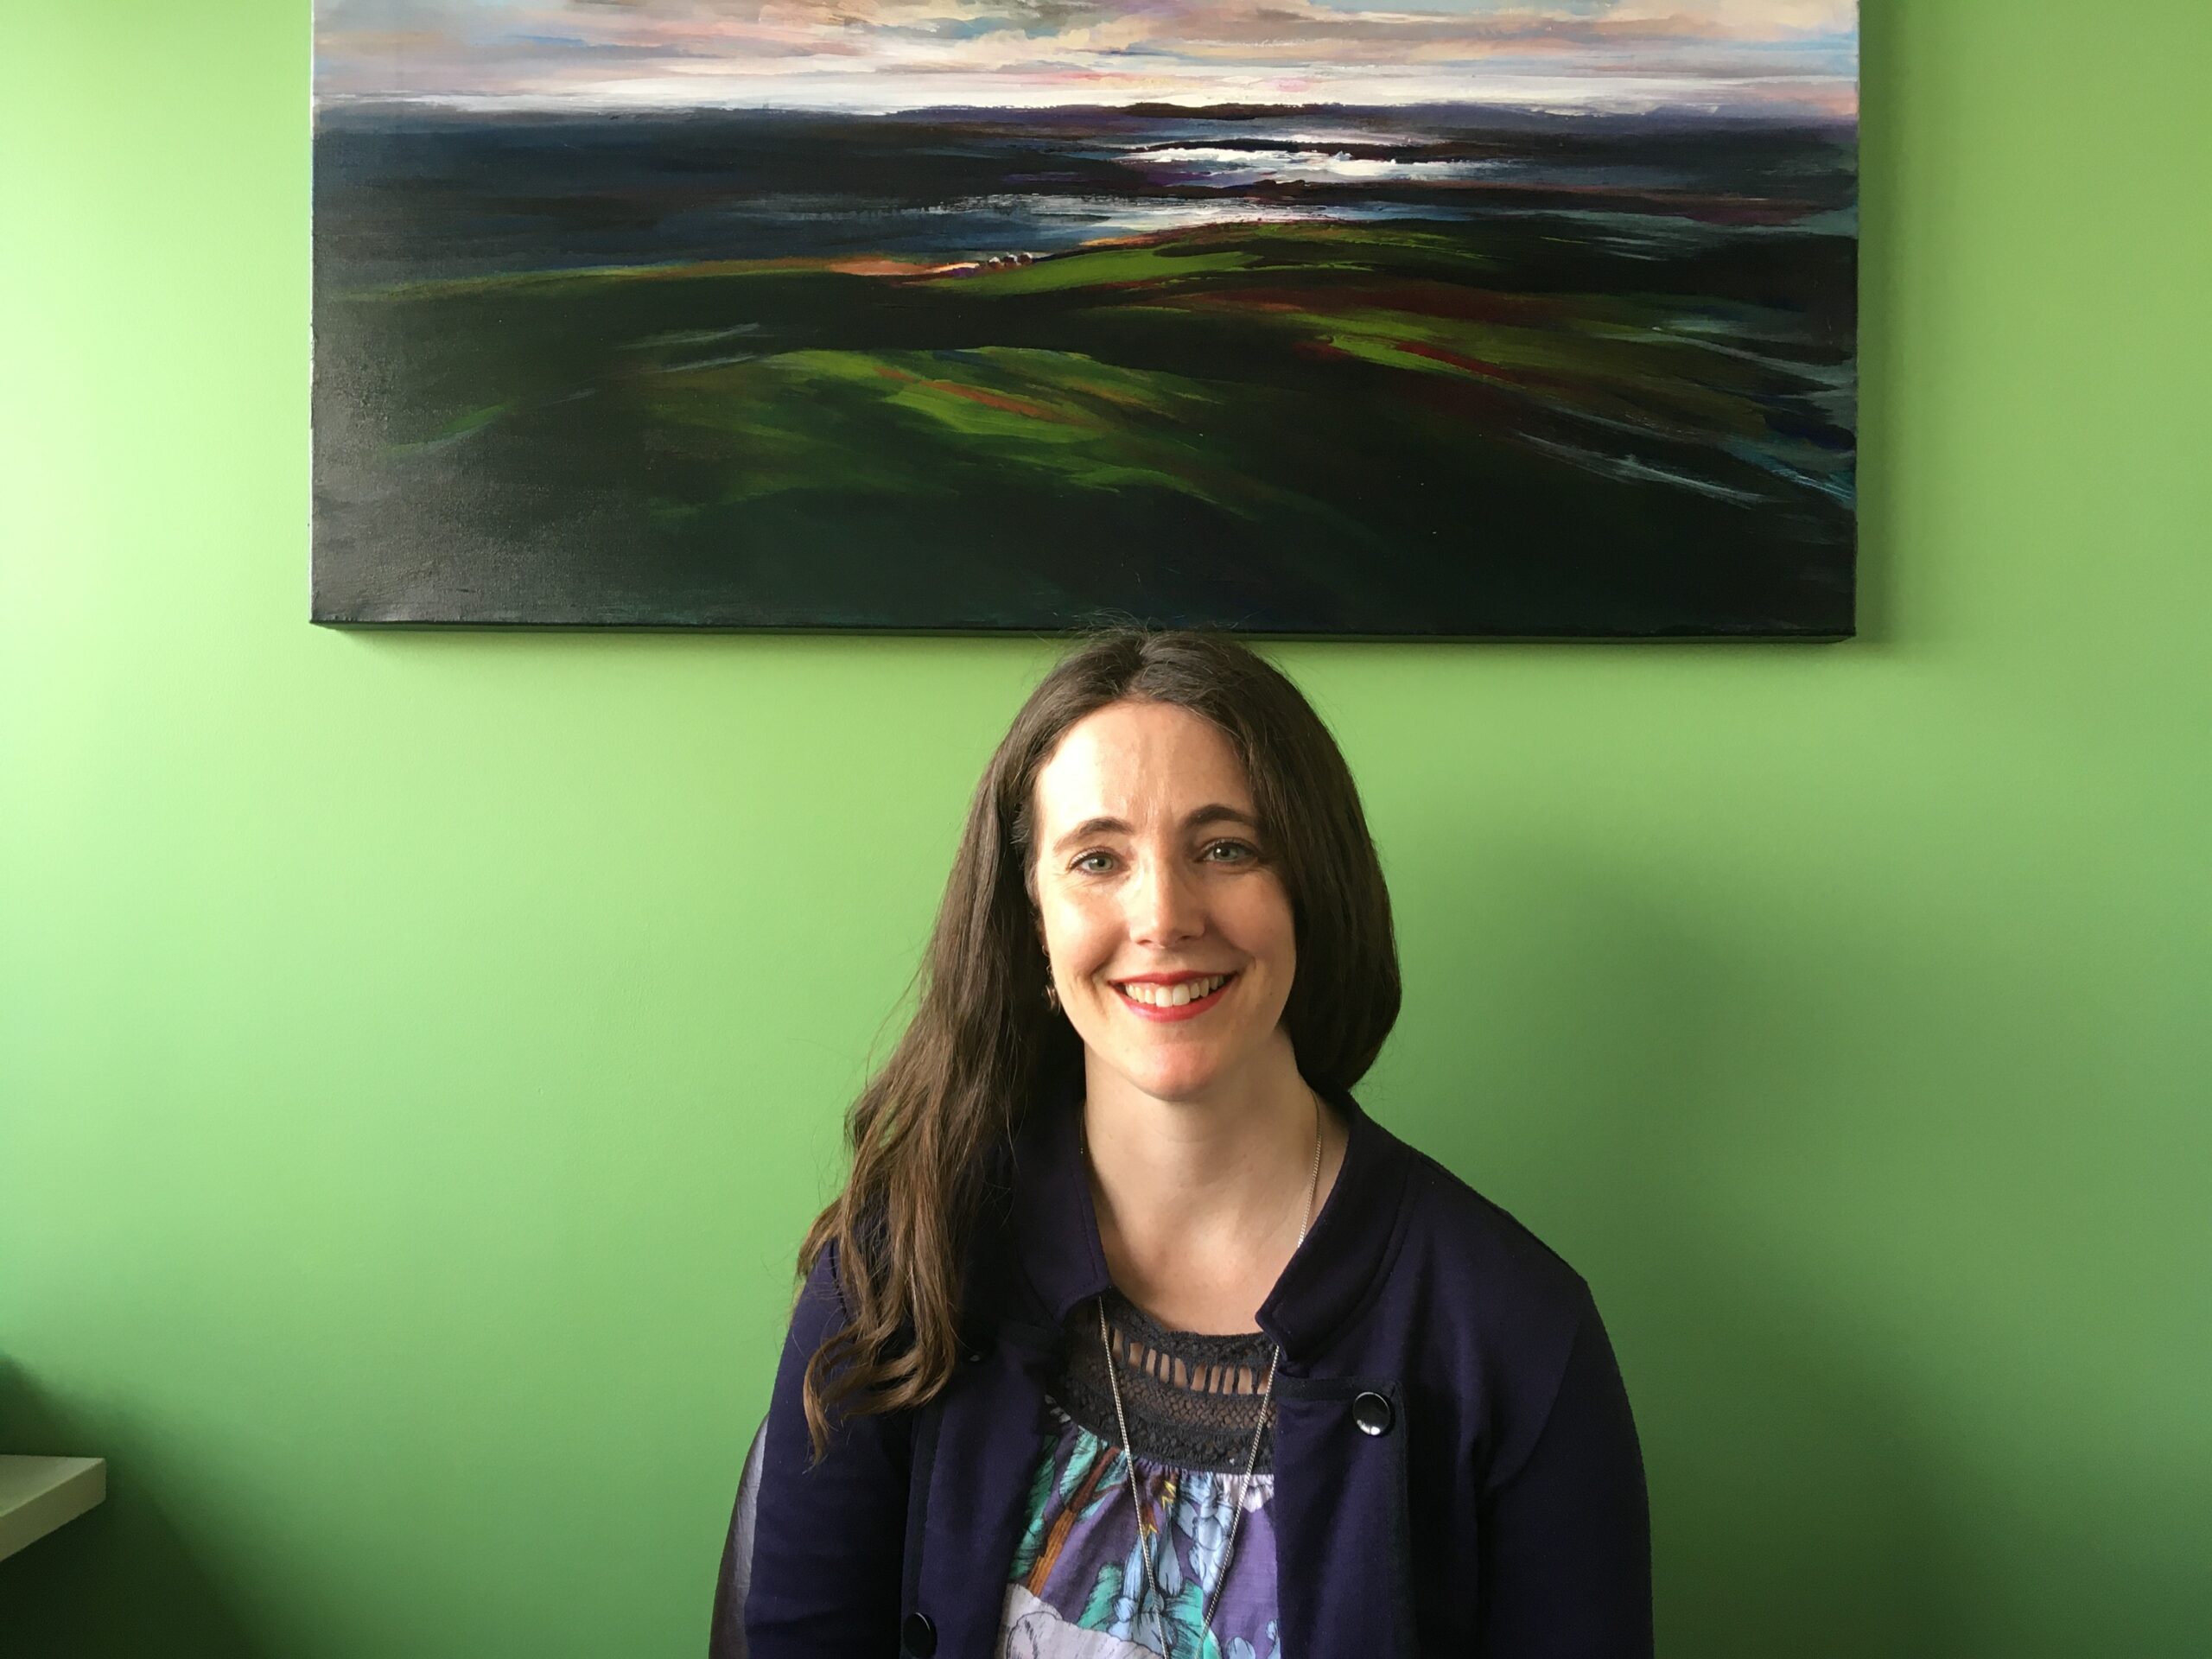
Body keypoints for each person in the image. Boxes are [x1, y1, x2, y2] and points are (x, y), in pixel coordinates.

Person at [717, 630, 1651, 1658]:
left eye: (1225, 849)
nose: (1162, 916)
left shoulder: (1519, 1332)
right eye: (1097, 859)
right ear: (1032, 921)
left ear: (1311, 888)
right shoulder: (901, 1268)